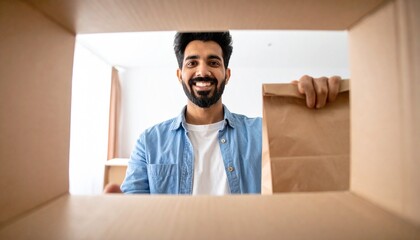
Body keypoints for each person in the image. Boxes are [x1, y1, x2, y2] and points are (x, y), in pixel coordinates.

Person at [106, 31, 342, 194]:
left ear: (227, 74)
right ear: (180, 75)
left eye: (213, 62)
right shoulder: (149, 142)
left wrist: (318, 110)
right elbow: (134, 212)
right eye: (191, 63)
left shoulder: (263, 133)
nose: (203, 71)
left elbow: (313, 164)